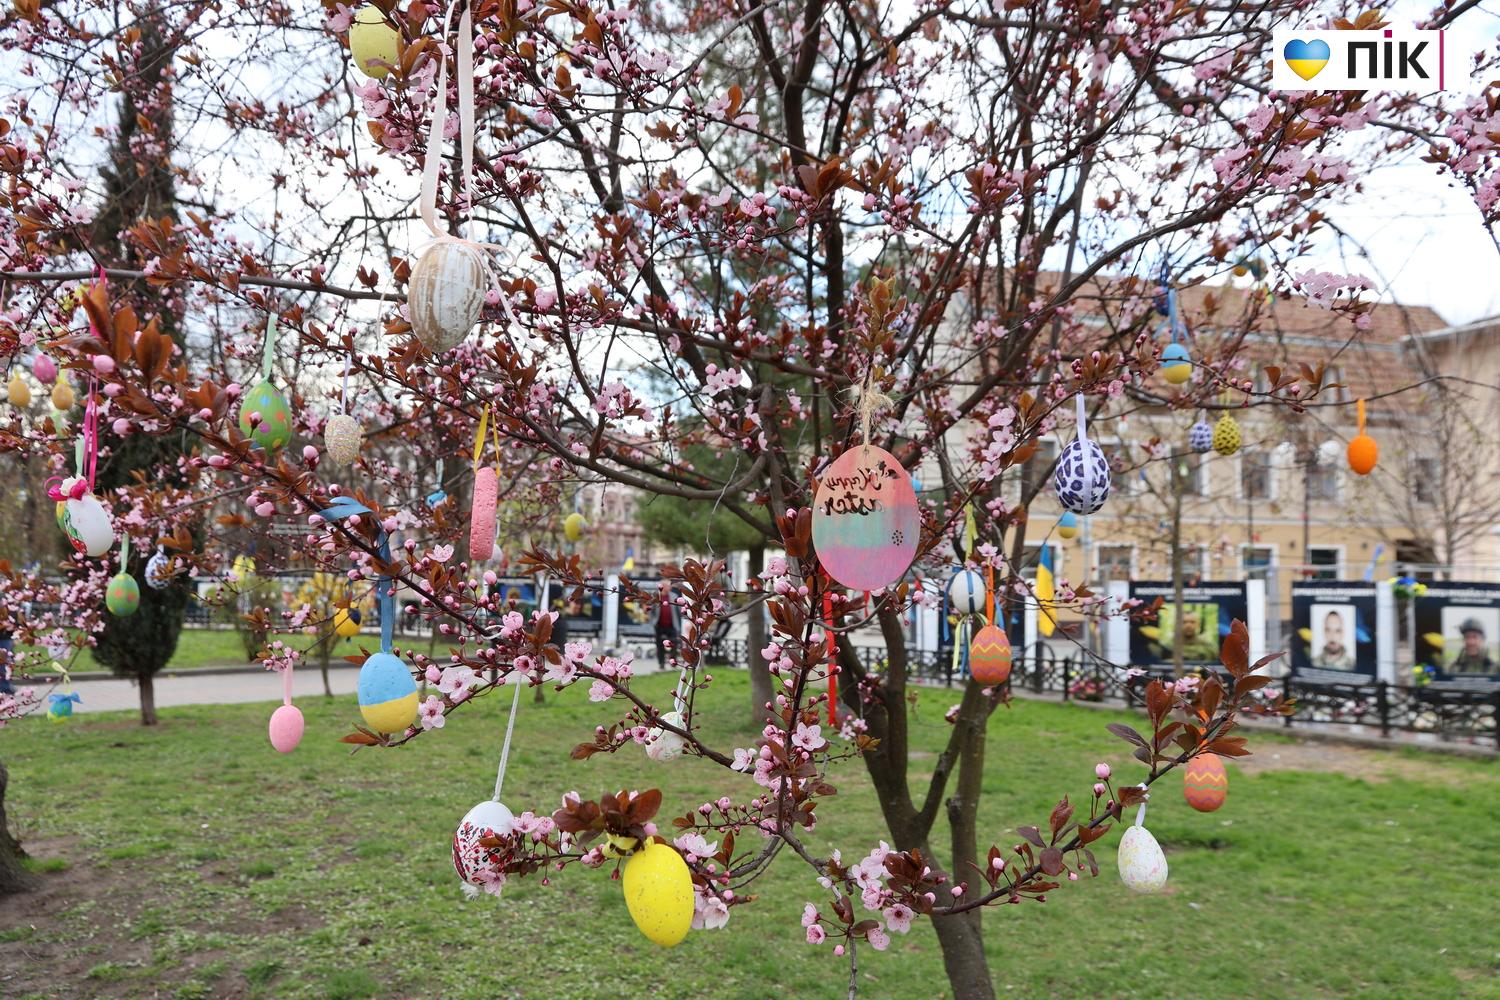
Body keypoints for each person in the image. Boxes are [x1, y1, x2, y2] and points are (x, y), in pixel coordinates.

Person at [653, 581, 681, 670]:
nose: (670, 587)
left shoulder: (674, 596)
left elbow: (679, 611)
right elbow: (650, 609)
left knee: (674, 644)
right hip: (659, 626)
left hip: (671, 626)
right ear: (662, 586)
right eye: (667, 586)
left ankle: (673, 662)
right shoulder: (656, 596)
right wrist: (652, 621)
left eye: (669, 586)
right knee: (660, 645)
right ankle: (661, 663)